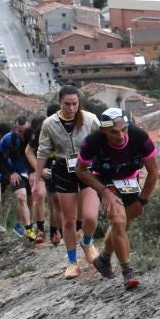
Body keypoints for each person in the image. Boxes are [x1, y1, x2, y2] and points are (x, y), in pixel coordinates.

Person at [77, 107, 159, 291]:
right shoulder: (93, 141)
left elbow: (154, 172)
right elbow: (80, 171)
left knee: (123, 224)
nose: (121, 136)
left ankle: (103, 259)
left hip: (130, 178)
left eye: (124, 130)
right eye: (114, 132)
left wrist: (142, 201)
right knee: (118, 221)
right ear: (104, 131)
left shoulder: (140, 137)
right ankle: (128, 272)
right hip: (104, 179)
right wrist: (104, 191)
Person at [30, 86, 100, 280]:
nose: (71, 108)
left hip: (86, 168)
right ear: (60, 103)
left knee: (90, 217)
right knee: (69, 220)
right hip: (63, 169)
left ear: (79, 103)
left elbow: (102, 143)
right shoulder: (49, 124)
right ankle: (72, 262)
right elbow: (42, 152)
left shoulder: (90, 119)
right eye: (67, 104)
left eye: (74, 104)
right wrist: (36, 180)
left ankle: (87, 241)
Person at [0, 113, 42, 242]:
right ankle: (29, 230)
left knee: (31, 201)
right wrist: (11, 172)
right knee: (21, 197)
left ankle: (27, 225)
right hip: (16, 173)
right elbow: (0, 157)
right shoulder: (7, 139)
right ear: (15, 128)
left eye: (25, 131)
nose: (22, 134)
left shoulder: (33, 138)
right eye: (20, 131)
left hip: (31, 172)